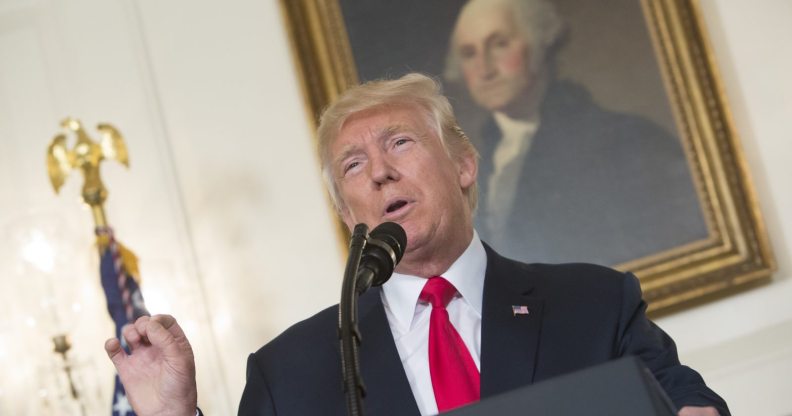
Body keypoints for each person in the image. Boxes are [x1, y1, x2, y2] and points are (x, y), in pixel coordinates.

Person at [105, 73, 728, 416]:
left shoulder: (594, 302)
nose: (378, 172)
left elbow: (689, 403)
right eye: (352, 165)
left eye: (399, 143)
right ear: (349, 215)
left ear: (463, 163)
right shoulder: (289, 373)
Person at [444, 0, 708, 265]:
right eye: (469, 53)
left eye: (500, 44)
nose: (485, 69)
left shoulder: (627, 141)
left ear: (539, 43)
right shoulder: (475, 167)